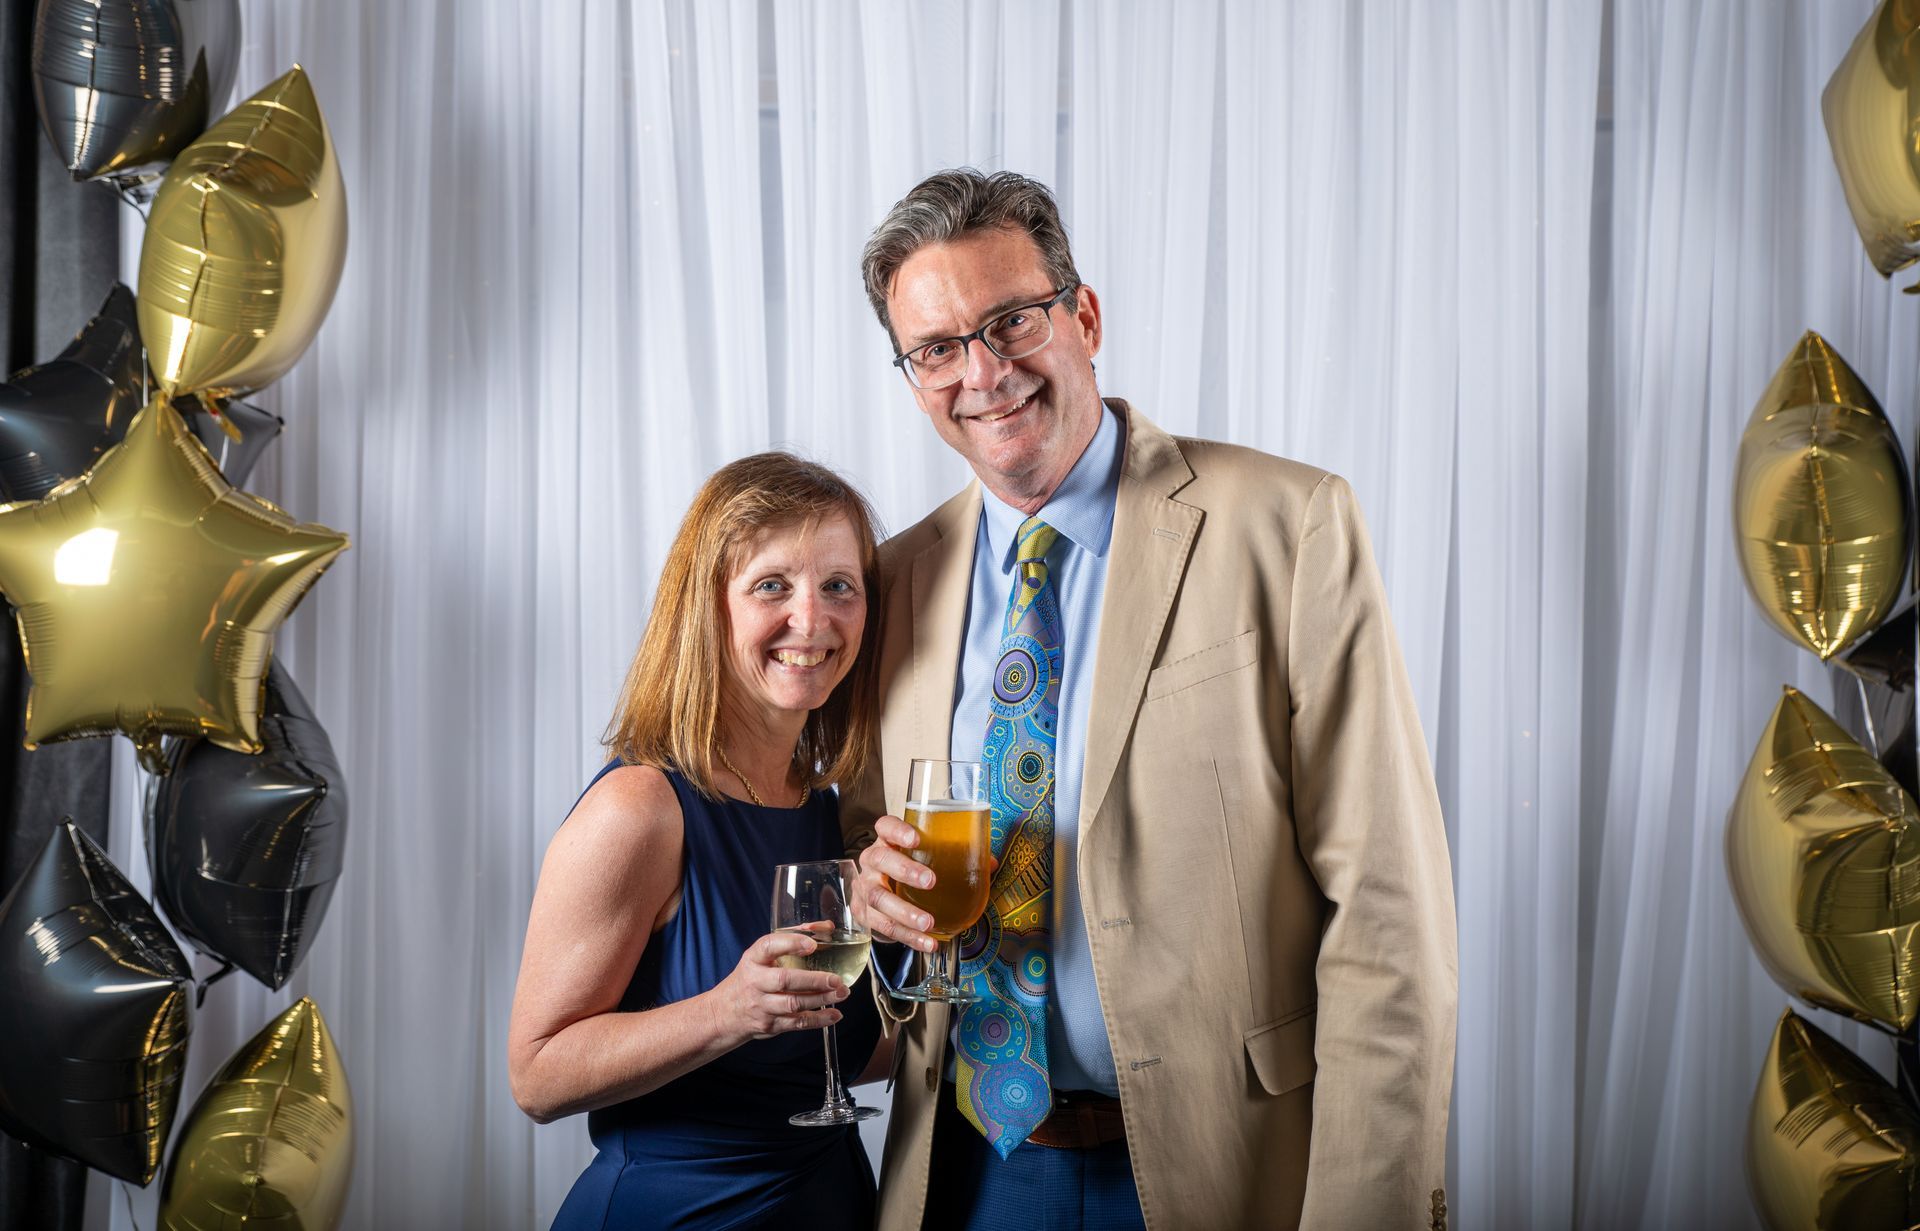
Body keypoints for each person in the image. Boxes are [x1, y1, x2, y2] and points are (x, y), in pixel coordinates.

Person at [846, 170, 1457, 1231]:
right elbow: (870, 869)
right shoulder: (894, 579)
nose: (983, 373)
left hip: (1225, 1166)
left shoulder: (1289, 526)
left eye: (1012, 321)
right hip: (970, 1171)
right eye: (937, 349)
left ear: (1084, 318)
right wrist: (875, 900)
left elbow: (1387, 914)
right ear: (913, 377)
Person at [509, 453, 890, 1230]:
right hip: (680, 1211)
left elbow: (846, 1054)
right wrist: (726, 1011)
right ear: (707, 609)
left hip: (831, 1202)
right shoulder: (640, 808)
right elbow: (537, 1076)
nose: (812, 619)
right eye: (772, 585)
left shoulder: (830, 807)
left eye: (838, 585)